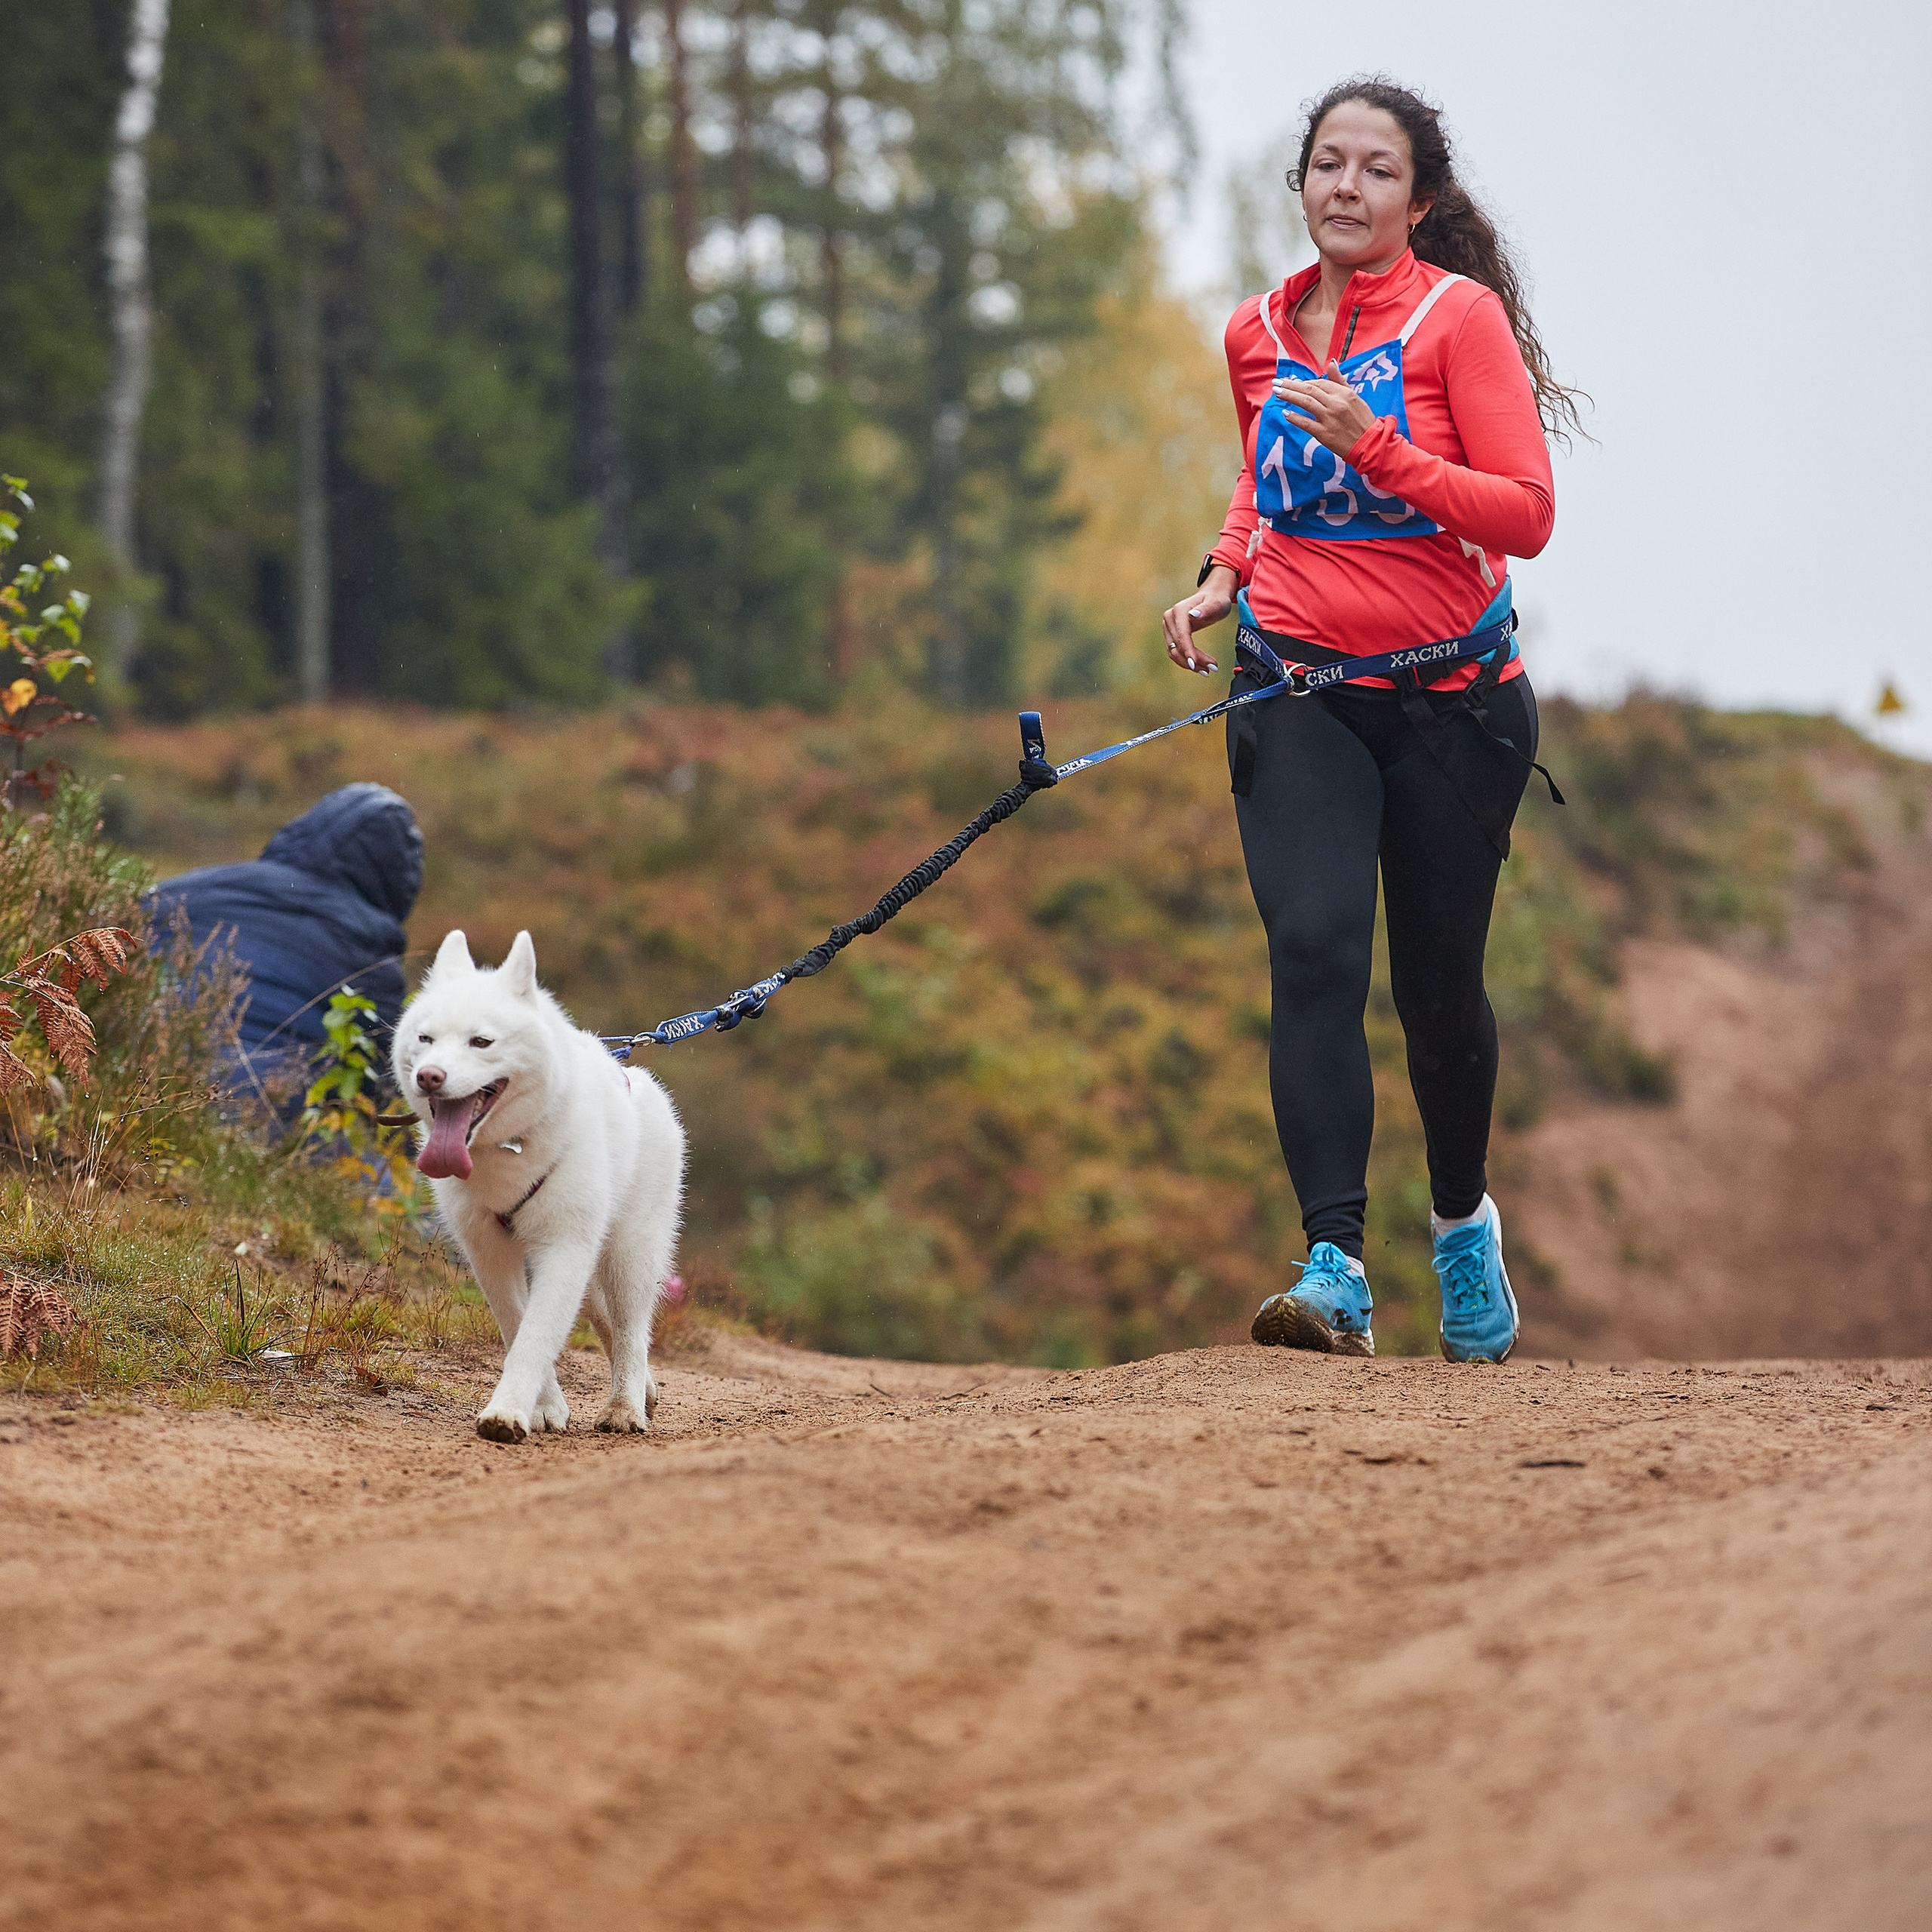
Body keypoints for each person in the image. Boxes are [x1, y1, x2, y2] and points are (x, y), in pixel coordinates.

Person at [1162, 77, 1580, 1363]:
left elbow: (1525, 514)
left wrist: (1381, 448)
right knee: (1318, 948)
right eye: (1326, 166)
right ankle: (1335, 1265)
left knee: (1439, 994)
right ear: (1300, 186)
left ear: (1421, 198)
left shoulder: (1462, 323)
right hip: (1298, 690)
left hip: (1455, 705)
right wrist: (1224, 574)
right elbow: (1264, 485)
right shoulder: (1259, 333)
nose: (1346, 188)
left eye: (1376, 170)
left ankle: (1461, 1224)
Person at [149, 783, 423, 1113]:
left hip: (125, 1076)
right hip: (261, 1117)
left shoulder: (189, 888)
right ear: (396, 879)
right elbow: (391, 1091)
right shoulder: (368, 946)